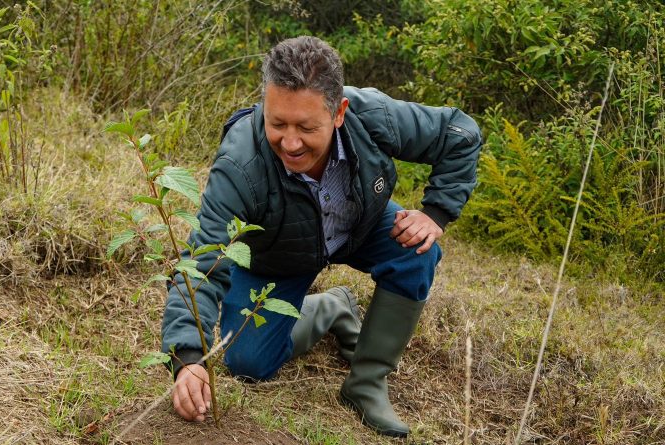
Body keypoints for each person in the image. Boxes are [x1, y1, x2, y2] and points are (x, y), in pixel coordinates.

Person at [160, 35, 481, 437]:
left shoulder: (373, 114)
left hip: (358, 227)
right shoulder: (239, 163)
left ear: (339, 112)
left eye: (306, 127)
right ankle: (331, 308)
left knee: (416, 249)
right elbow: (203, 262)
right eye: (277, 123)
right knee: (245, 363)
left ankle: (366, 383)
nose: (290, 143)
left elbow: (460, 133)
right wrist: (188, 355)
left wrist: (436, 212)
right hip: (277, 257)